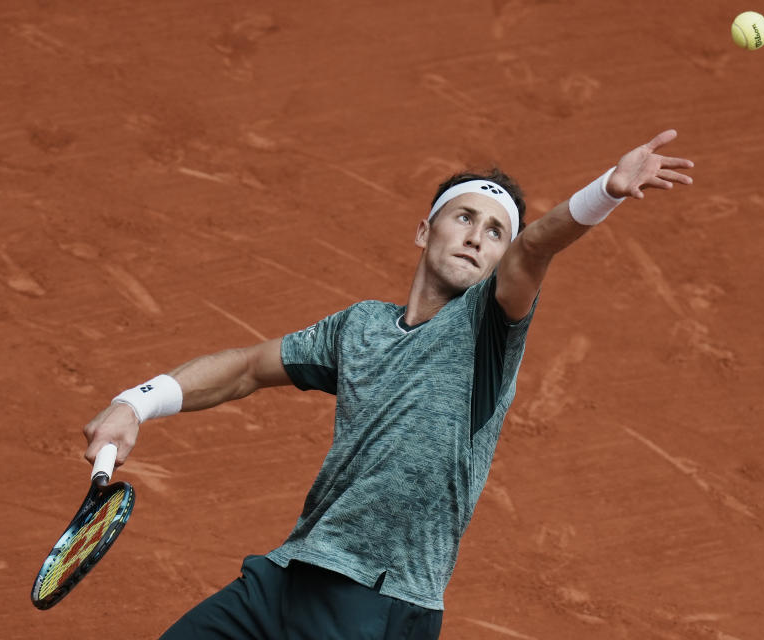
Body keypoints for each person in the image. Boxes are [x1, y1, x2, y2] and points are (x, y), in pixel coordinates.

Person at [83, 129, 693, 639]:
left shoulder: (488, 325)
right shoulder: (358, 328)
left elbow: (534, 249)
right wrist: (134, 405)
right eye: (464, 217)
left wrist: (604, 193)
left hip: (376, 602)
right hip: (287, 575)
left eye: (494, 230)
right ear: (425, 231)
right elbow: (246, 367)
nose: (478, 235)